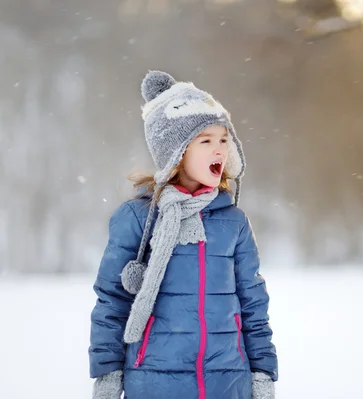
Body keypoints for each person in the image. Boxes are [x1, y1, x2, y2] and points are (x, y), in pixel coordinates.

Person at [88, 70, 278, 399]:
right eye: (206, 141)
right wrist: (107, 372)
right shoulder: (138, 217)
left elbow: (253, 305)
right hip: (154, 383)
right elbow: (112, 302)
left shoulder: (233, 222)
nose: (218, 149)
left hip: (227, 383)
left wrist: (262, 372)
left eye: (223, 139)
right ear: (176, 151)